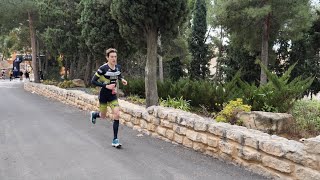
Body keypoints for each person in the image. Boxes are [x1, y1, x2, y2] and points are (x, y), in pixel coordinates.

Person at [90, 48, 128, 148]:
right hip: (103, 95)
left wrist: (122, 79)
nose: (114, 59)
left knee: (117, 114)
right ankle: (95, 114)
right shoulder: (102, 69)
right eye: (111, 57)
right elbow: (93, 81)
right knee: (103, 116)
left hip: (112, 95)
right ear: (107, 57)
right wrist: (106, 86)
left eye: (115, 57)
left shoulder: (118, 67)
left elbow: (118, 75)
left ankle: (115, 139)